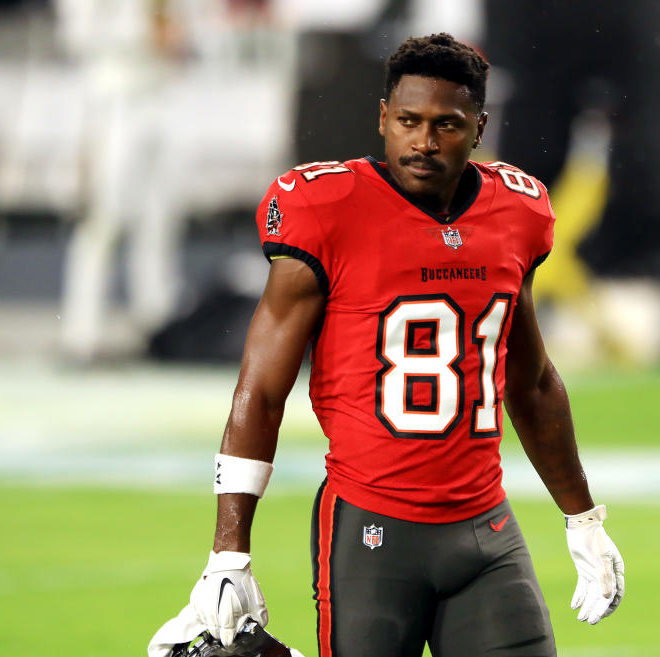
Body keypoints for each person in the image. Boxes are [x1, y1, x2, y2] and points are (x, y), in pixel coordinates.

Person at [149, 33, 624, 657]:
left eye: (446, 125)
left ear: (478, 127)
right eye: (408, 121)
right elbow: (261, 390)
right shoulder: (327, 209)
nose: (423, 142)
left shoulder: (516, 211)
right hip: (372, 529)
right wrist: (228, 552)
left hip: (487, 529)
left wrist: (582, 517)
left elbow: (530, 382)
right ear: (382, 119)